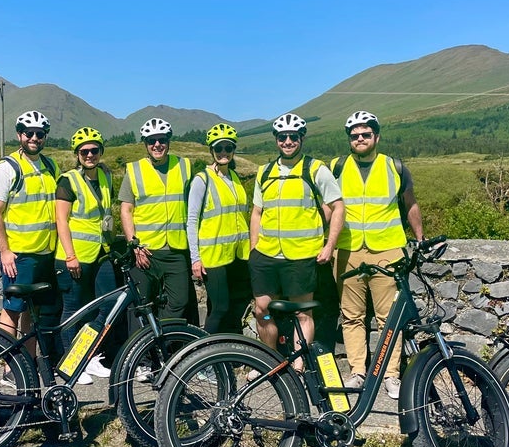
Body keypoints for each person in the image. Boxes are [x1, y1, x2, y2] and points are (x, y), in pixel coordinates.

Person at [332, 110, 424, 397]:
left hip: (387, 250)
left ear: (376, 137)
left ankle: (390, 374)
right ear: (349, 139)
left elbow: (410, 204)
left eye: (365, 134)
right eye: (354, 135)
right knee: (351, 316)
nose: (360, 138)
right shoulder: (336, 167)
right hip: (347, 250)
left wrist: (420, 238)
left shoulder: (394, 167)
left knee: (389, 318)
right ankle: (357, 371)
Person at [248, 112, 344, 358]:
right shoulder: (264, 172)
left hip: (301, 256)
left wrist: (329, 245)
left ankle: (300, 365)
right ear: (276, 139)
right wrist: (253, 248)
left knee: (303, 314)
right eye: (282, 137)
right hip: (267, 255)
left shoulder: (315, 169)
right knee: (262, 310)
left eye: (293, 137)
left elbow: (338, 206)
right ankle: (269, 359)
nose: (288, 141)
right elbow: (257, 213)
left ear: (302, 138)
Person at [0, 110, 64, 381]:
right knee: (12, 311)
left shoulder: (50, 166)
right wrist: (5, 251)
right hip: (19, 255)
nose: (34, 138)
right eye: (28, 133)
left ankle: (27, 364)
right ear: (19, 135)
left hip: (45, 254)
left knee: (33, 313)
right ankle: (8, 367)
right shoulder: (7, 168)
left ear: (45, 137)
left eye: (39, 134)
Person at [54, 127, 116, 384]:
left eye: (94, 150)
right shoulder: (67, 180)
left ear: (101, 151)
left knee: (109, 305)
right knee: (73, 311)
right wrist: (70, 255)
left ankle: (89, 356)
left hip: (101, 253)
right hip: (74, 256)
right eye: (84, 151)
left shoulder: (106, 175)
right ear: (77, 155)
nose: (89, 155)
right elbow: (61, 220)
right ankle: (72, 363)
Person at [120, 117, 194, 325]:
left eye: (161, 140)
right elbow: (126, 210)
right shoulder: (134, 170)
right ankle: (140, 356)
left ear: (168, 142)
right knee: (141, 306)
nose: (157, 145)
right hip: (145, 251)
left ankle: (164, 344)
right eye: (151, 141)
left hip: (176, 249)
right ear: (145, 144)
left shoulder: (185, 166)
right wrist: (134, 245)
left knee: (179, 301)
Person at [186, 123, 252, 334]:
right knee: (221, 307)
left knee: (233, 305)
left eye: (228, 148)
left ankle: (227, 352)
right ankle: (204, 356)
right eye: (218, 148)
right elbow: (192, 220)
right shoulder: (202, 179)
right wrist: (195, 258)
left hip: (237, 255)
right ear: (211, 151)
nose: (223, 152)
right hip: (212, 257)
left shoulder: (234, 178)